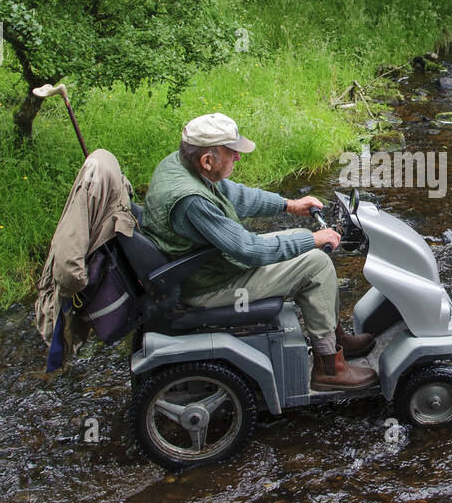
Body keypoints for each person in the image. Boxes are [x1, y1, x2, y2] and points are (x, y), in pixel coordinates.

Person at [141, 112, 377, 391]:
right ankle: (329, 368)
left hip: (206, 267)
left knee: (303, 242)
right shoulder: (191, 201)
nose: (238, 158)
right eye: (232, 153)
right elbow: (249, 251)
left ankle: (333, 339)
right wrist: (313, 240)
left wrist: (289, 204)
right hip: (208, 285)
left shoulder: (180, 165)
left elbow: (236, 195)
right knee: (316, 263)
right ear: (207, 160)